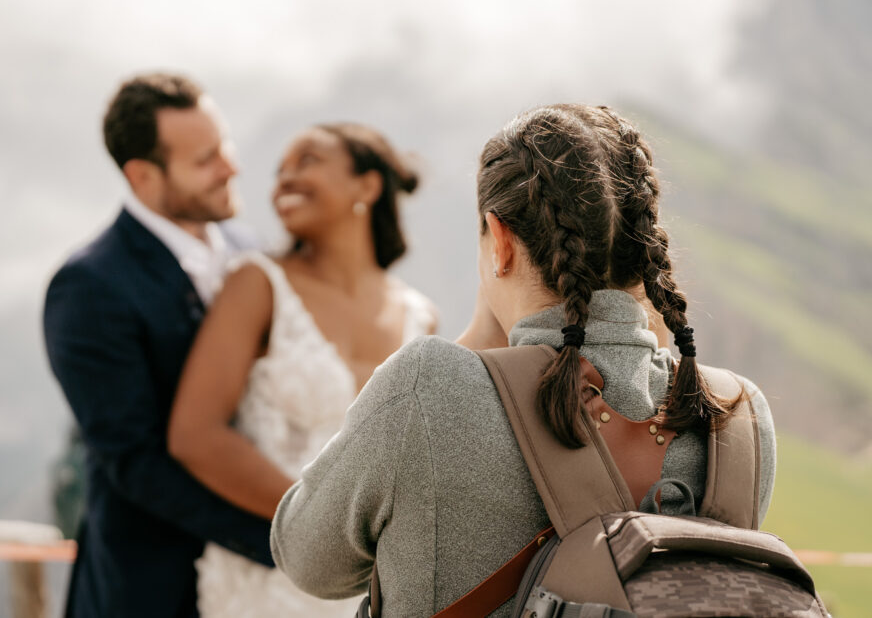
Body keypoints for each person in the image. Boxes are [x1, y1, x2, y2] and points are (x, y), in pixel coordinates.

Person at [269, 104, 777, 616]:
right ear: (644, 247)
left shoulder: (430, 385)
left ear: (501, 241)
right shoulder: (739, 413)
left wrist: (478, 346)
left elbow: (307, 558)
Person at [167, 122, 437, 616]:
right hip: (268, 582)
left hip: (375, 588)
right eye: (279, 171)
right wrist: (318, 520)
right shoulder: (256, 282)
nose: (284, 180)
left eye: (307, 161)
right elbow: (195, 434)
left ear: (368, 186)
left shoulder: (420, 316)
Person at [43, 73, 273, 618]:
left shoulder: (249, 245)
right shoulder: (89, 286)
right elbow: (135, 461)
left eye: (225, 146)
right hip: (152, 587)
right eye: (205, 159)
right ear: (143, 175)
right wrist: (284, 540)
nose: (231, 167)